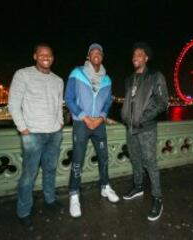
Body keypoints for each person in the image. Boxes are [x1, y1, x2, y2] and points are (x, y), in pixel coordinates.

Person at [8, 43, 64, 230]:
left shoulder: (58, 80)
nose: (45, 57)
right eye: (41, 54)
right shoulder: (22, 74)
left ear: (53, 58)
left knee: (50, 169)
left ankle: (50, 200)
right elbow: (13, 103)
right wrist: (23, 128)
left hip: (54, 133)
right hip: (32, 134)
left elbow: (58, 105)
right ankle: (23, 211)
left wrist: (60, 122)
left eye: (49, 55)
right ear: (35, 56)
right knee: (28, 175)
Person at [65, 43, 119, 218]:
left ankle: (105, 187)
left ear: (102, 57)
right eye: (93, 52)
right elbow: (69, 98)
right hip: (82, 122)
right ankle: (74, 194)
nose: (96, 54)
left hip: (99, 124)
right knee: (78, 159)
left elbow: (108, 102)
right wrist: (85, 117)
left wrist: (102, 117)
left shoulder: (107, 79)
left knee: (104, 157)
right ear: (88, 56)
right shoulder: (77, 73)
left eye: (99, 52)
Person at [121, 42, 169, 221]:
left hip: (147, 129)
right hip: (130, 128)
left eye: (139, 54)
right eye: (134, 55)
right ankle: (138, 187)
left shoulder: (155, 76)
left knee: (150, 163)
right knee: (135, 159)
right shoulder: (129, 79)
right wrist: (125, 116)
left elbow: (162, 102)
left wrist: (144, 117)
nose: (135, 57)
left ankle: (158, 198)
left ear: (146, 58)